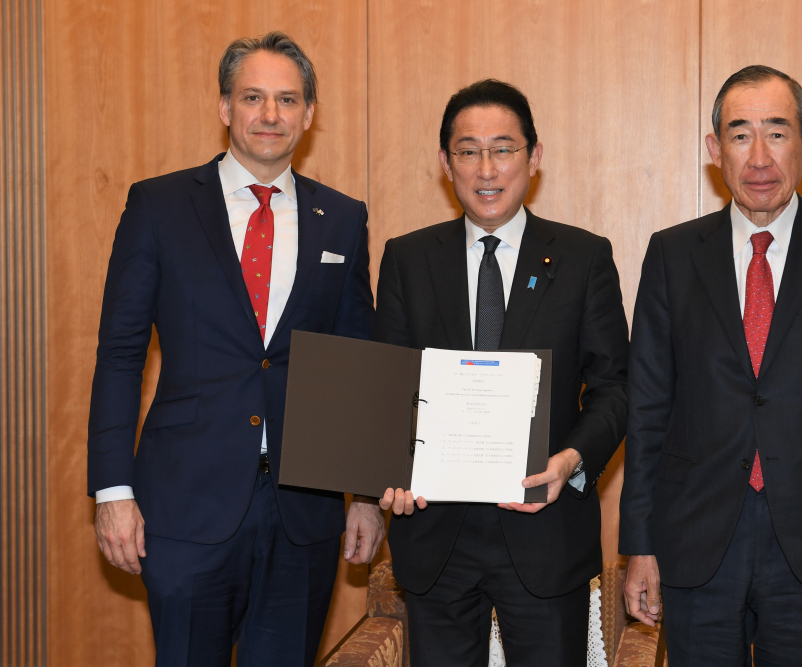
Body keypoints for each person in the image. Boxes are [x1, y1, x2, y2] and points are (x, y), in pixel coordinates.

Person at [87, 32, 384, 666]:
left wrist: (362, 493)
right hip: (183, 506)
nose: (270, 115)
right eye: (253, 97)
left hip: (302, 513)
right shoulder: (159, 206)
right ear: (225, 108)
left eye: (287, 99)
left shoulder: (345, 218)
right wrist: (113, 491)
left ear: (309, 115)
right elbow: (119, 355)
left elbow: (357, 359)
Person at [620, 65, 802, 666]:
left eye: (777, 133)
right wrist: (639, 547)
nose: (759, 156)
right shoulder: (672, 254)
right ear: (714, 150)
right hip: (697, 539)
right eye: (740, 134)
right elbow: (647, 410)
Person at [374, 79, 629, 666]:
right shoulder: (408, 259)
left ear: (533, 158)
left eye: (503, 148)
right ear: (446, 163)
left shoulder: (584, 258)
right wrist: (386, 472)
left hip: (545, 533)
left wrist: (570, 461)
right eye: (467, 151)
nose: (486, 168)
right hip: (434, 537)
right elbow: (388, 390)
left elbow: (616, 388)